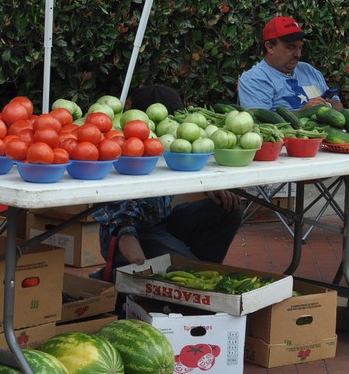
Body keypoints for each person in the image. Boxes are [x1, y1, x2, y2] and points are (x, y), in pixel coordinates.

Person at [238, 16, 349, 223]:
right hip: (290, 153)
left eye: (300, 47)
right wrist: (304, 112)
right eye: (290, 47)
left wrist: (326, 108)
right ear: (269, 46)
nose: (297, 53)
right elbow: (258, 123)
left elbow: (339, 107)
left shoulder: (309, 71)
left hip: (331, 145)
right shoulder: (254, 79)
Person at [92, 85, 244, 279]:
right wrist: (128, 238)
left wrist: (207, 187)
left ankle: (197, 275)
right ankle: (117, 275)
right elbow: (119, 211)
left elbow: (183, 170)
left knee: (228, 210)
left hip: (162, 221)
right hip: (132, 233)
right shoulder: (120, 146)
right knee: (191, 271)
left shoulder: (169, 142)